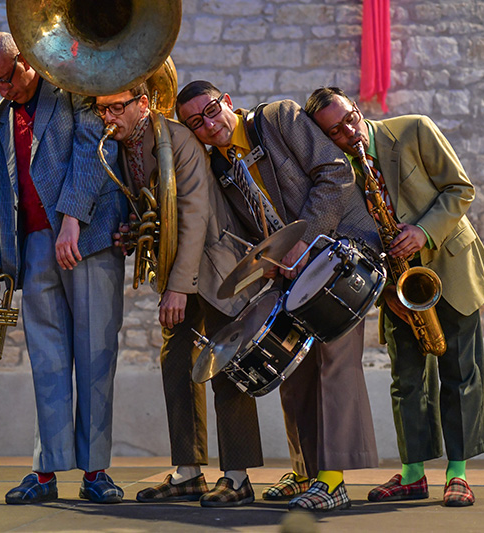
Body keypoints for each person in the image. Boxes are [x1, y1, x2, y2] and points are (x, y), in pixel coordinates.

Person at [177, 81, 381, 512]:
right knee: (297, 369)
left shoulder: (278, 118)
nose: (209, 124)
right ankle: (308, 473)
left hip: (344, 245)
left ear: (227, 101)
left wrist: (302, 243)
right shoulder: (219, 166)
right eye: (196, 122)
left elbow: (335, 174)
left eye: (212, 110)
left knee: (334, 361)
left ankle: (334, 481)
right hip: (294, 267)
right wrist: (268, 261)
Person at [305, 86, 484, 507]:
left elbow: (459, 189)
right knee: (407, 380)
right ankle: (413, 473)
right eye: (336, 132)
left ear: (358, 108)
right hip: (398, 285)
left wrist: (423, 232)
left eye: (350, 119)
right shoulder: (338, 172)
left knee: (460, 374)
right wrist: (384, 292)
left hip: (449, 266)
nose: (349, 132)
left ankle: (458, 473)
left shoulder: (414, 130)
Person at [77, 82, 266, 507]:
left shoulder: (177, 138)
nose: (108, 118)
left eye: (116, 108)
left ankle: (237, 477)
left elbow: (195, 212)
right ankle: (188, 471)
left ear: (143, 105)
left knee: (225, 367)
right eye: (102, 110)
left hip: (216, 268)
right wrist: (131, 229)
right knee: (176, 365)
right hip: (177, 271)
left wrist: (177, 288)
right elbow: (149, 206)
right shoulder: (124, 147)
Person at [0, 32, 127, 505]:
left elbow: (94, 153)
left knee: (96, 357)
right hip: (35, 248)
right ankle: (45, 472)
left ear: (26, 59)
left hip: (88, 240)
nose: (5, 91)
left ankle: (96, 472)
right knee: (48, 363)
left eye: (8, 79)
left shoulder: (73, 90)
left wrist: (71, 221)